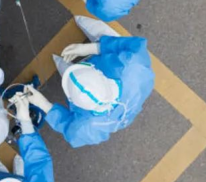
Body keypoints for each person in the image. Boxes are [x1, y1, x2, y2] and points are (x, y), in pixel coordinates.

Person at [22, 16, 155, 148]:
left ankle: (60, 59)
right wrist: (95, 48)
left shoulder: (86, 127)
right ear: (98, 73)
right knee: (104, 35)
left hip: (106, 66)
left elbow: (67, 126)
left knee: (64, 66)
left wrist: (44, 105)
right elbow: (132, 46)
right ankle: (81, 22)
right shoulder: (133, 67)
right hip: (123, 83)